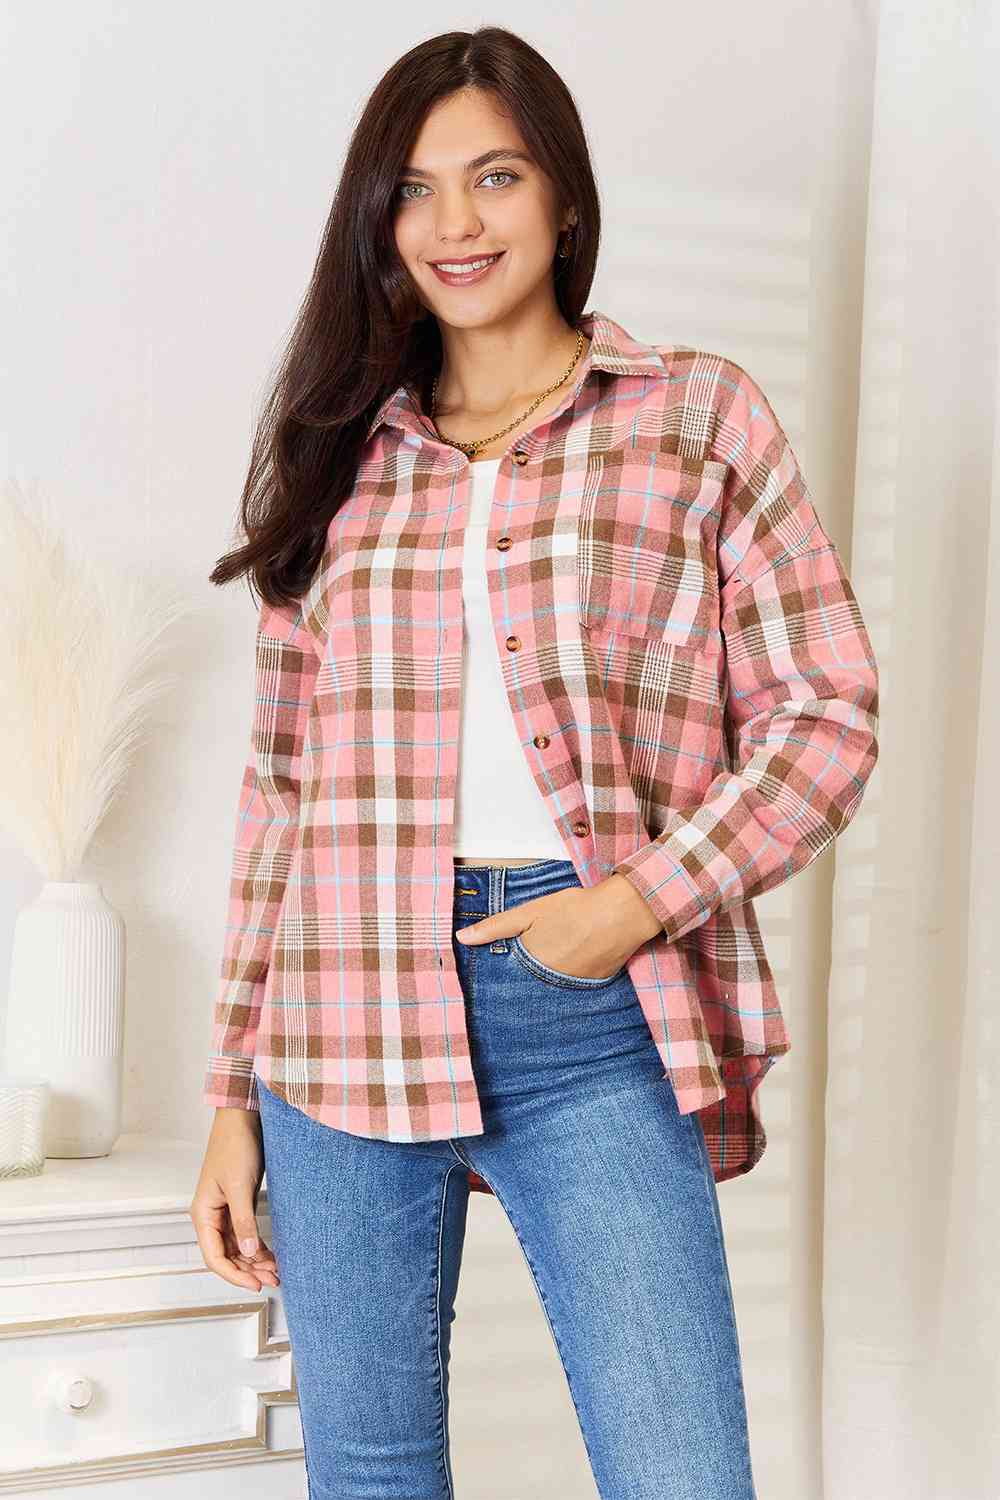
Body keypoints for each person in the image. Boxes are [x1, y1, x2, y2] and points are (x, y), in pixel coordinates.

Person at [189, 25, 879, 1500]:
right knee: (371, 1479)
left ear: (563, 197)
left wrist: (631, 904)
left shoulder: (695, 415)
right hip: (339, 1013)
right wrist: (232, 1093)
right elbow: (280, 794)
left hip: (589, 1007)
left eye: (495, 177)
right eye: (415, 189)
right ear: (380, 223)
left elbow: (826, 714)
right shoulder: (341, 455)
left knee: (682, 1475)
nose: (456, 222)